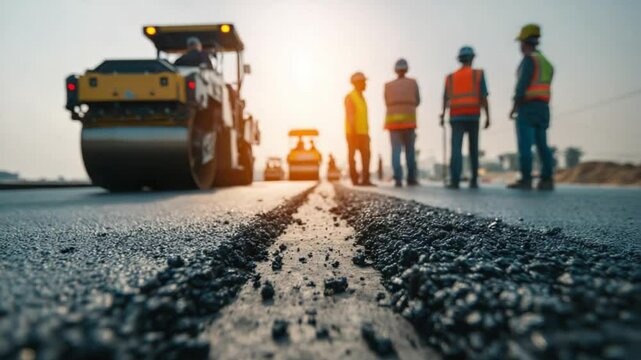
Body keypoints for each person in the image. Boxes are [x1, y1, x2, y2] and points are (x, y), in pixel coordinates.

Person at [508, 24, 555, 190]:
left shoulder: (529, 60)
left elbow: (521, 87)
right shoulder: (546, 62)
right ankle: (547, 179)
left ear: (524, 42)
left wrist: (514, 107)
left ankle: (526, 179)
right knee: (542, 144)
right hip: (543, 107)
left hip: (527, 106)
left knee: (525, 144)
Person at [439, 46, 490, 189]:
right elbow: (484, 97)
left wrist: (442, 115)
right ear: (472, 58)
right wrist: (488, 117)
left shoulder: (450, 77)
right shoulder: (478, 74)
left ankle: (455, 180)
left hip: (456, 116)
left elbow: (445, 99)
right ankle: (473, 179)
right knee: (474, 148)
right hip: (473, 115)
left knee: (456, 149)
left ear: (460, 59)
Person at [384, 59, 420, 187]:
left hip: (393, 123)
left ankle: (398, 179)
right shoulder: (413, 83)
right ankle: (411, 178)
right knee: (410, 151)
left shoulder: (388, 85)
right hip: (409, 122)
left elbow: (386, 101)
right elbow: (417, 100)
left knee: (396, 151)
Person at [344, 72, 374, 186]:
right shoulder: (351, 97)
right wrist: (353, 132)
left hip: (364, 133)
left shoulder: (362, 98)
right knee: (352, 156)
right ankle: (355, 179)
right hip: (353, 132)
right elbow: (350, 115)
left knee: (366, 156)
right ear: (357, 83)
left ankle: (365, 179)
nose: (365, 84)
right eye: (363, 82)